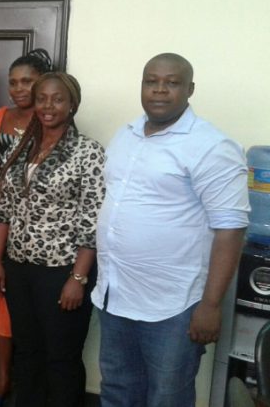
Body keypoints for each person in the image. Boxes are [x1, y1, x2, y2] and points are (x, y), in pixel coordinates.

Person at [91, 53, 250, 407]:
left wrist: (210, 305)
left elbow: (231, 229)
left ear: (190, 89)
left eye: (172, 82)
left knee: (167, 397)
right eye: (151, 81)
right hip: (115, 295)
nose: (160, 90)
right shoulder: (127, 135)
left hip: (173, 305)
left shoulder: (211, 145)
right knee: (117, 390)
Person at [0, 72, 105, 407]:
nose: (48, 106)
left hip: (62, 272)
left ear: (72, 105)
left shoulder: (88, 152)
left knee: (61, 357)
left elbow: (92, 221)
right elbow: (3, 210)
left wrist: (78, 278)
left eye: (57, 99)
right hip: (20, 269)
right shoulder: (25, 145)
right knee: (27, 351)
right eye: (42, 99)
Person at [0, 48, 52, 407]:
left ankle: (30, 383)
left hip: (35, 227)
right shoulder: (0, 116)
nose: (18, 88)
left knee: (28, 307)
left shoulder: (51, 118)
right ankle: (2, 380)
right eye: (13, 82)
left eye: (27, 81)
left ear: (42, 84)